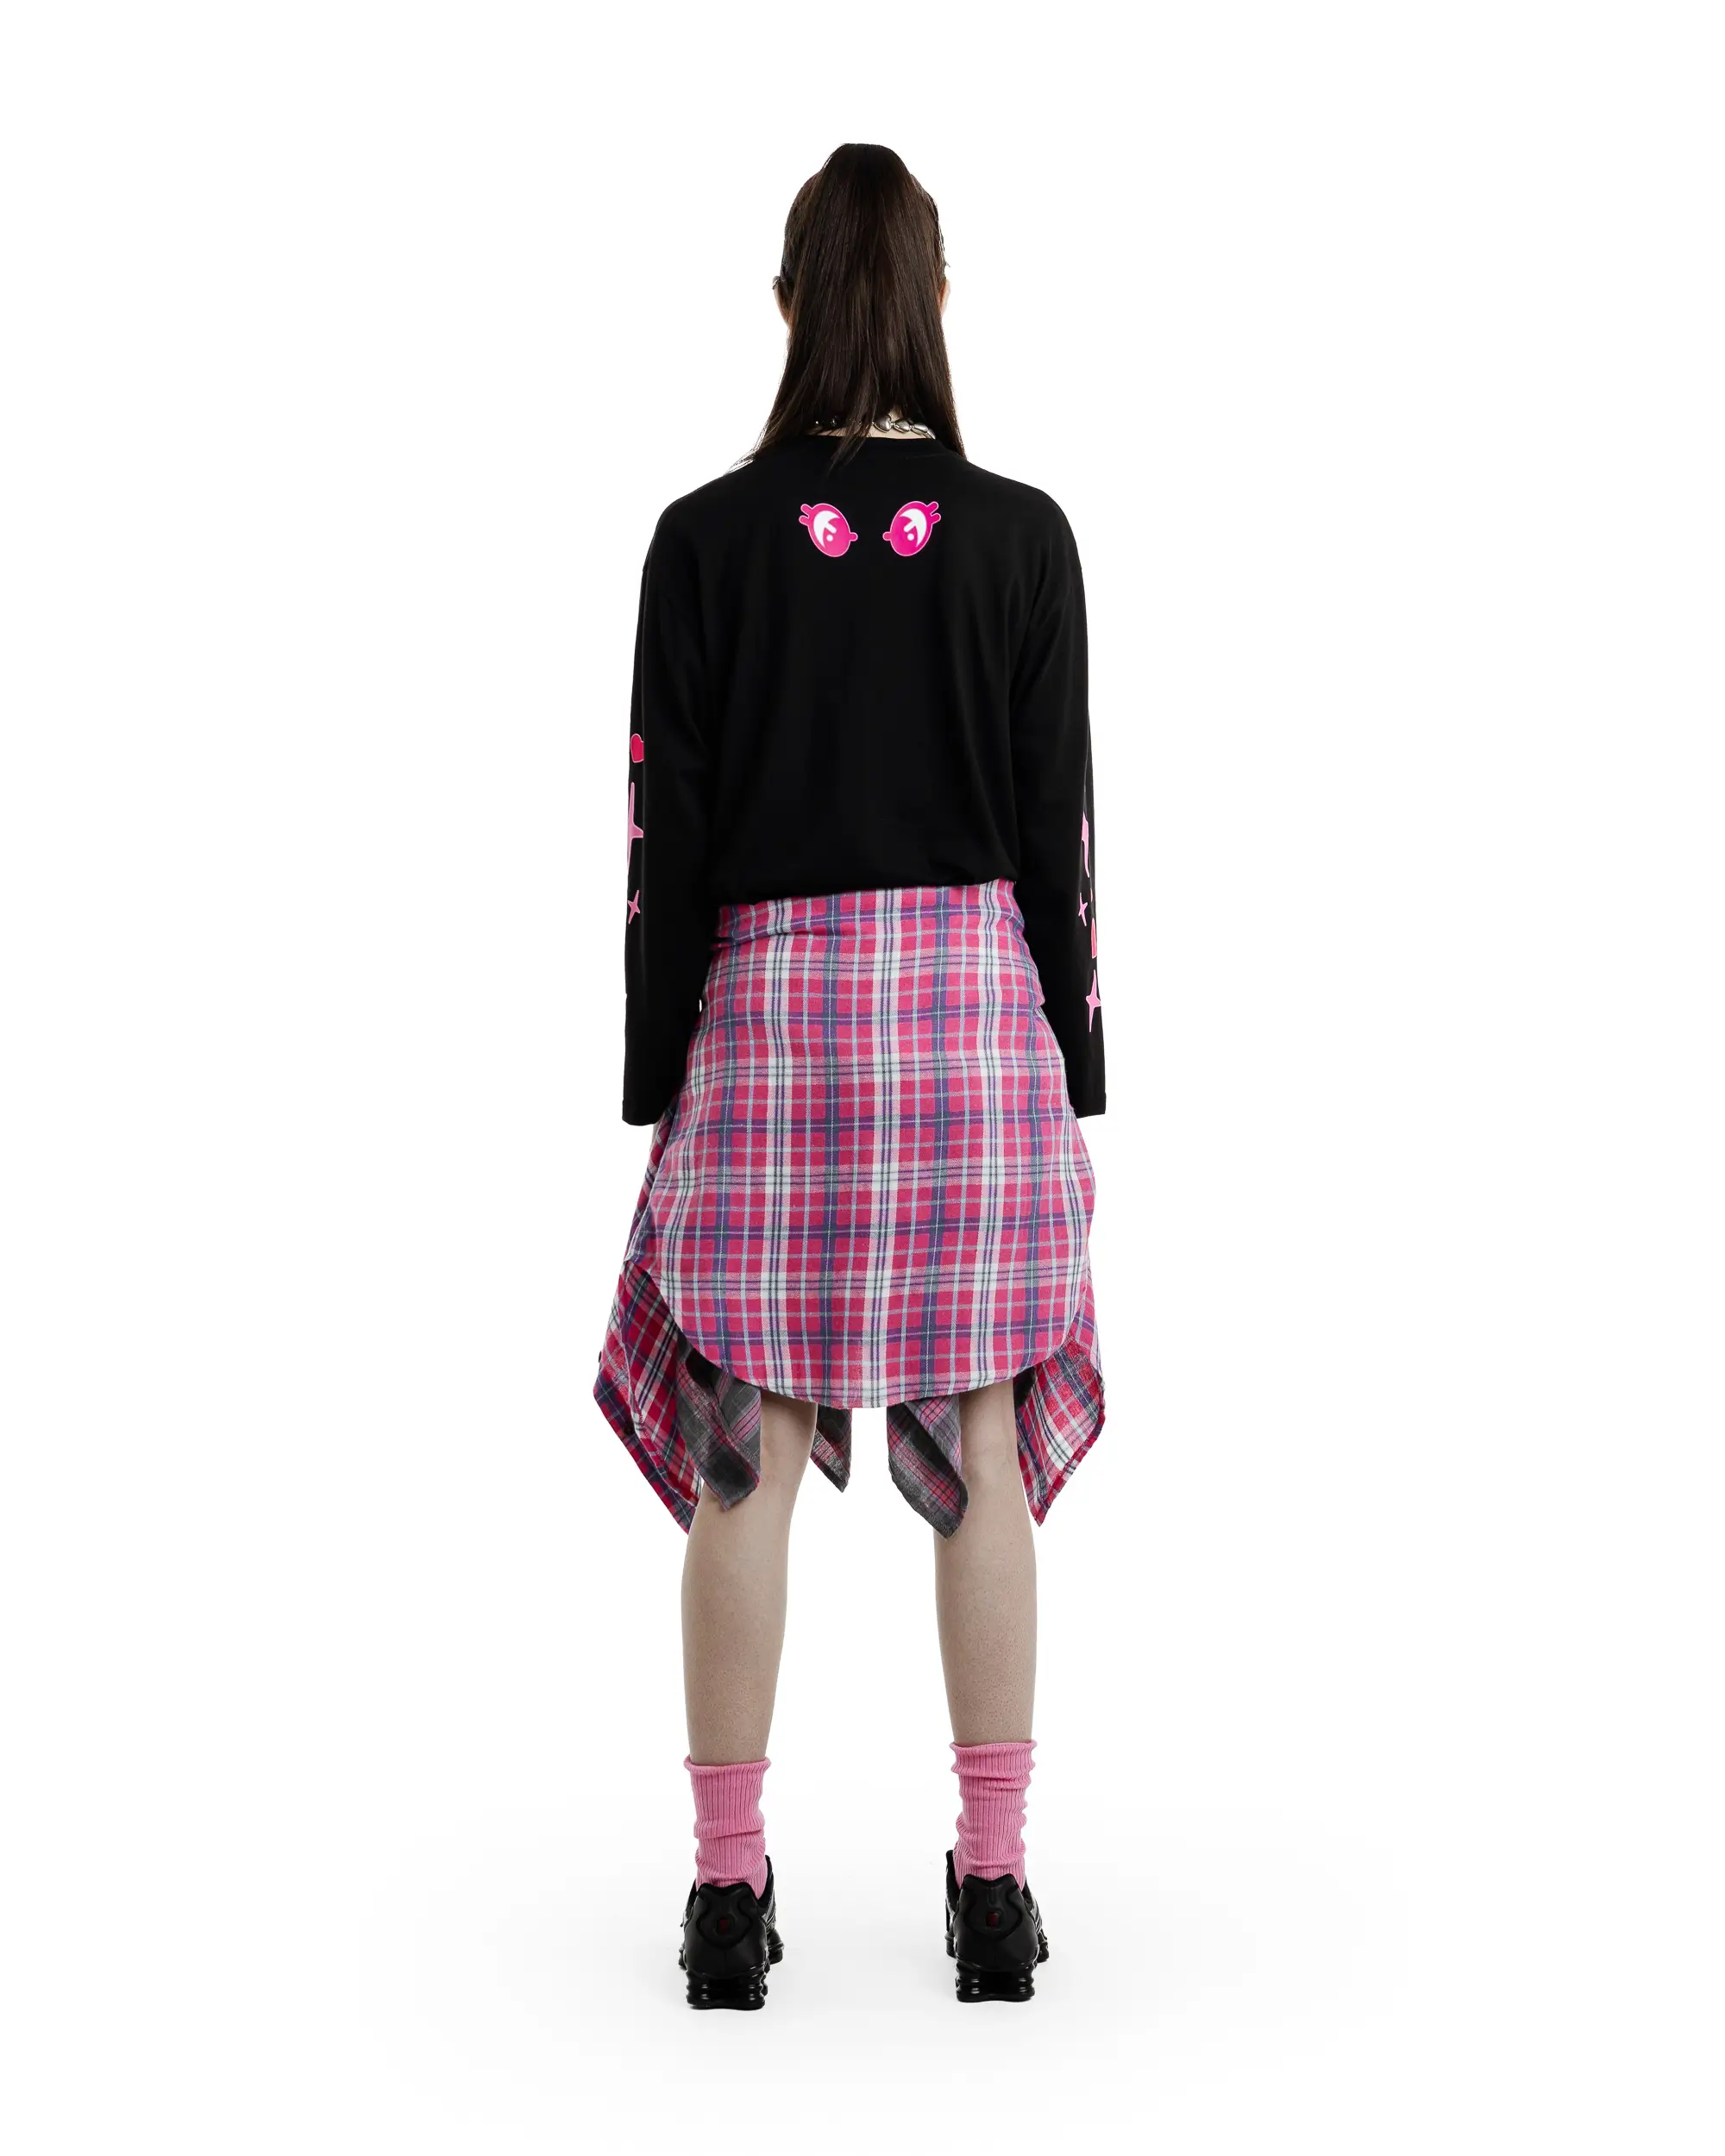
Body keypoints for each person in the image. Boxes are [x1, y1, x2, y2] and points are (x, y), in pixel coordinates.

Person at [593, 142, 1105, 2009]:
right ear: (939, 303)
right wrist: (1075, 1065)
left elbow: (663, 840)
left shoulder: (702, 541)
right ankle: (996, 1886)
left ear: (789, 305)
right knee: (984, 1448)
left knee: (745, 1456)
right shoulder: (1026, 539)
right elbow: (1060, 845)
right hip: (971, 1036)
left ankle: (728, 1899)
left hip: (774, 1032)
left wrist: (658, 1071)